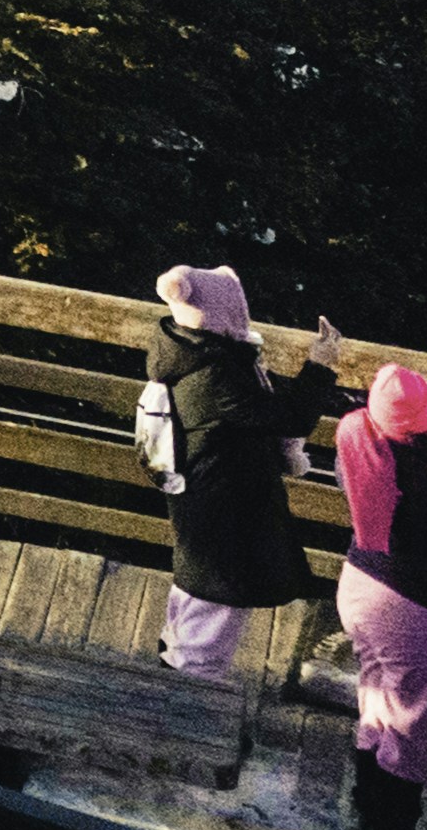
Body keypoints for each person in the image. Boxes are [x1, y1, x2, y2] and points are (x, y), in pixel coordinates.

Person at [139, 261, 332, 692]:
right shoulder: (215, 375)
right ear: (225, 314)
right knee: (207, 636)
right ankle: (185, 712)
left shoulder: (190, 355)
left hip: (204, 513)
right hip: (225, 523)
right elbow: (288, 417)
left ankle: (169, 690)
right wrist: (320, 364)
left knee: (190, 613)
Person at [331, 360, 427, 830]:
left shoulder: (361, 446)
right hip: (411, 606)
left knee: (377, 700)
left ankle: (363, 803)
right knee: (414, 720)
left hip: (361, 586)